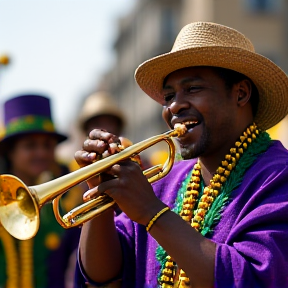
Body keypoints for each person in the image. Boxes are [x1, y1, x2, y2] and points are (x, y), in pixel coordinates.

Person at [74, 22, 288, 288]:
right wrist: (100, 198)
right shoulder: (165, 181)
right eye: (168, 96)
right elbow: (103, 277)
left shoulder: (279, 176)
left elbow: (254, 277)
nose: (174, 105)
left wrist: (152, 212)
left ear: (241, 93)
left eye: (193, 89)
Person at [0, 94, 81, 288]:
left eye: (47, 145)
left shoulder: (67, 201)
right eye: (30, 146)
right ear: (10, 152)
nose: (42, 153)